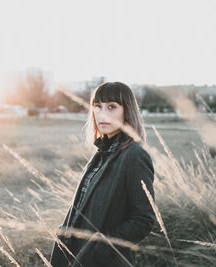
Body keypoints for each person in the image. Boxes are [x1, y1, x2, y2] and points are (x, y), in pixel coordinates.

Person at [50, 82, 156, 266]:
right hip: (76, 255)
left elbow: (143, 220)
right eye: (97, 107)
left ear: (127, 111)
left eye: (112, 107)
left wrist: (100, 249)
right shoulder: (101, 153)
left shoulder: (134, 155)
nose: (102, 114)